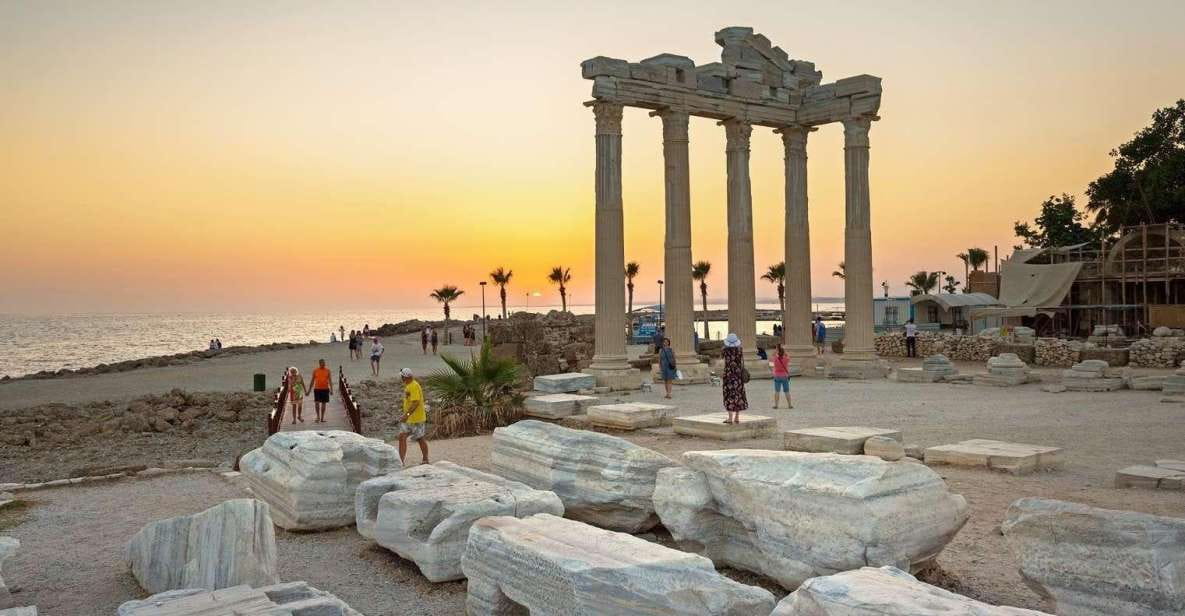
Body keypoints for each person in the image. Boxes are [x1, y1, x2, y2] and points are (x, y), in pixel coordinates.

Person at [395, 368, 429, 465]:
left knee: (420, 438)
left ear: (406, 377)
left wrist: (407, 415)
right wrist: (406, 415)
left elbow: (415, 403)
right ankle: (400, 461)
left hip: (416, 418)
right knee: (402, 437)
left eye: (402, 376)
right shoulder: (409, 385)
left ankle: (425, 459)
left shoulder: (414, 386)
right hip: (409, 418)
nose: (401, 378)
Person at [721, 333, 748, 424]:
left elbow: (722, 358)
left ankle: (730, 417)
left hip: (728, 375)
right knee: (738, 394)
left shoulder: (725, 350)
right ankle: (737, 417)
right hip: (738, 375)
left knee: (729, 395)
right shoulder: (740, 350)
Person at [310, 359, 332, 423]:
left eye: (324, 363)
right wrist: (309, 390)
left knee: (323, 403)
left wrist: (331, 390)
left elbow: (330, 381)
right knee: (317, 403)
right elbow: (312, 381)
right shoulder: (315, 371)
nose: (323, 364)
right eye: (322, 363)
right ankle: (318, 417)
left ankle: (322, 418)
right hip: (317, 388)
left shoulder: (328, 370)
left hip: (325, 389)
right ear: (319, 363)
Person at [771, 344, 792, 409]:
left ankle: (776, 405)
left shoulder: (775, 359)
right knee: (787, 391)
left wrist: (776, 350)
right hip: (785, 376)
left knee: (777, 391)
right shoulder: (786, 359)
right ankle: (789, 405)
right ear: (783, 353)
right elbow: (788, 356)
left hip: (777, 375)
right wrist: (784, 352)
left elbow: (772, 355)